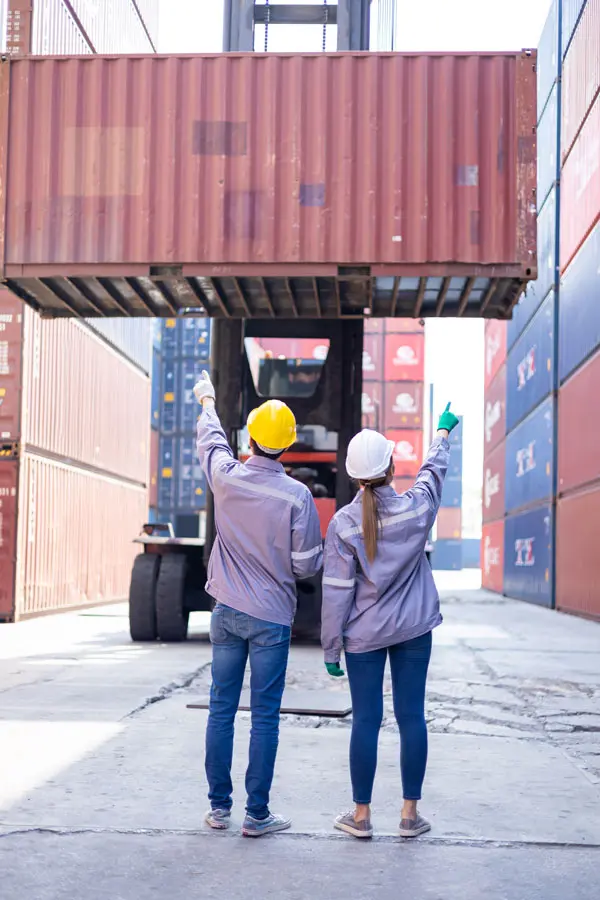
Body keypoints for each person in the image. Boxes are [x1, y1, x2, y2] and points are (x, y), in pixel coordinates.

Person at [321, 403, 460, 840]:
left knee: (366, 721)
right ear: (391, 467)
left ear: (352, 476)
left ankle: (360, 818)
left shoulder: (344, 525)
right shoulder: (417, 510)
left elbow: (336, 593)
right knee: (411, 717)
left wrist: (330, 649)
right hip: (414, 630)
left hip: (363, 635)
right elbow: (431, 475)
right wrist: (442, 433)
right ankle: (408, 815)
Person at [194, 370, 323, 838]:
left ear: (249, 438)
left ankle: (218, 809)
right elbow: (307, 565)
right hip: (271, 618)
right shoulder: (297, 496)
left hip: (226, 612)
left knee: (221, 708)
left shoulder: (226, 479)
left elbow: (211, 441)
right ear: (288, 446)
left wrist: (208, 398)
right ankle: (257, 815)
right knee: (264, 715)